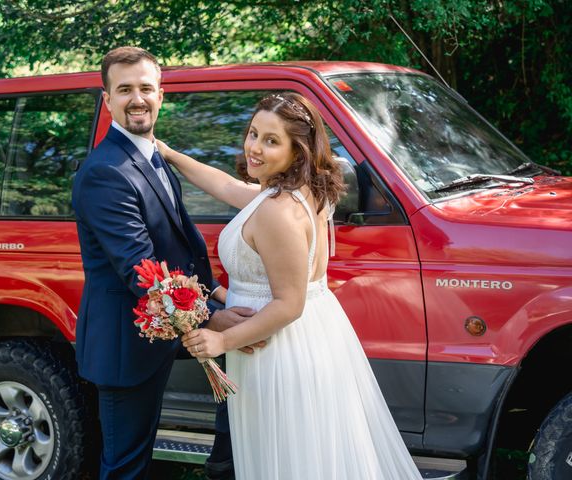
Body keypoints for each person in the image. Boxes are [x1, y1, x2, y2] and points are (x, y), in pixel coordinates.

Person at [158, 92, 424, 479]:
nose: (255, 148)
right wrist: (170, 154)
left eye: (271, 141)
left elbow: (288, 303)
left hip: (276, 349)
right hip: (307, 341)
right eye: (253, 134)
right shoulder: (295, 193)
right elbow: (229, 187)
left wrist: (220, 341)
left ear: (297, 151)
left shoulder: (276, 212)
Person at [71, 46, 254, 479]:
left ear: (161, 94)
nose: (138, 98)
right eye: (125, 89)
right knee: (126, 467)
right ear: (107, 99)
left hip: (166, 332)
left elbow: (178, 251)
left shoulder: (152, 155)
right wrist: (213, 317)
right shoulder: (106, 171)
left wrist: (218, 297)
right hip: (125, 343)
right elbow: (141, 269)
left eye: (146, 88)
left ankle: (221, 468)